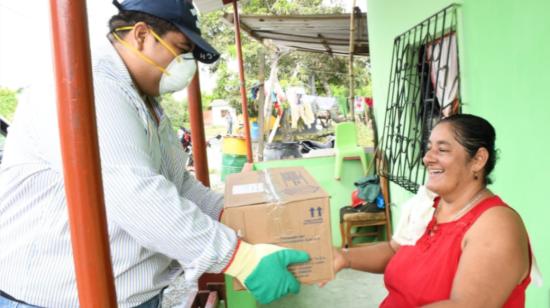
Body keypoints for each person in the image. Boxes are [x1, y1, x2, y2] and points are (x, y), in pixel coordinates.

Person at [0, 0, 309, 307]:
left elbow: (180, 185)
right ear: (141, 35)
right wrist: (240, 260)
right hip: (54, 297)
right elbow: (135, 194)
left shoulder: (143, 100)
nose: (186, 63)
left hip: (128, 294)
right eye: (180, 48)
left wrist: (237, 214)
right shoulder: (92, 85)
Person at [330, 114, 532, 307]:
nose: (427, 158)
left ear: (478, 159)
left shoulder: (496, 225)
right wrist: (345, 256)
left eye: (442, 150)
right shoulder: (426, 206)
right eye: (429, 149)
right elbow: (394, 251)